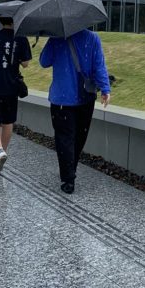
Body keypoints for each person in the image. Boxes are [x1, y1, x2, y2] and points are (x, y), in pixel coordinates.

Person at [40, 28, 111, 194]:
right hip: (85, 97)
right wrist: (105, 89)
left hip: (62, 98)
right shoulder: (93, 38)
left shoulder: (57, 37)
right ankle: (70, 169)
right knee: (79, 137)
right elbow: (99, 65)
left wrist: (52, 39)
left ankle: (68, 178)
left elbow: (44, 61)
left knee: (64, 138)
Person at [0, 15, 32, 174]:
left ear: (0, 20)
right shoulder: (21, 38)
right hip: (11, 87)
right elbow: (25, 63)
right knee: (8, 120)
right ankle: (2, 152)